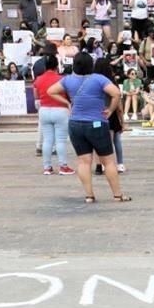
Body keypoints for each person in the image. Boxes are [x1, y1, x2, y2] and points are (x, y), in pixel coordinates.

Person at [45, 53, 128, 202]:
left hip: (75, 124)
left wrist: (67, 103)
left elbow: (50, 91)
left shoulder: (68, 80)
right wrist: (110, 109)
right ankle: (117, 195)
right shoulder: (99, 79)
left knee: (84, 161)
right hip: (97, 123)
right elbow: (116, 93)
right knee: (108, 161)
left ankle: (89, 195)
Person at [32, 54, 74, 176]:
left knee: (47, 140)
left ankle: (47, 167)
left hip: (44, 110)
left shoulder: (38, 79)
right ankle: (63, 166)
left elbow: (36, 95)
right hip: (60, 110)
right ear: (57, 66)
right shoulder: (62, 79)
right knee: (60, 140)